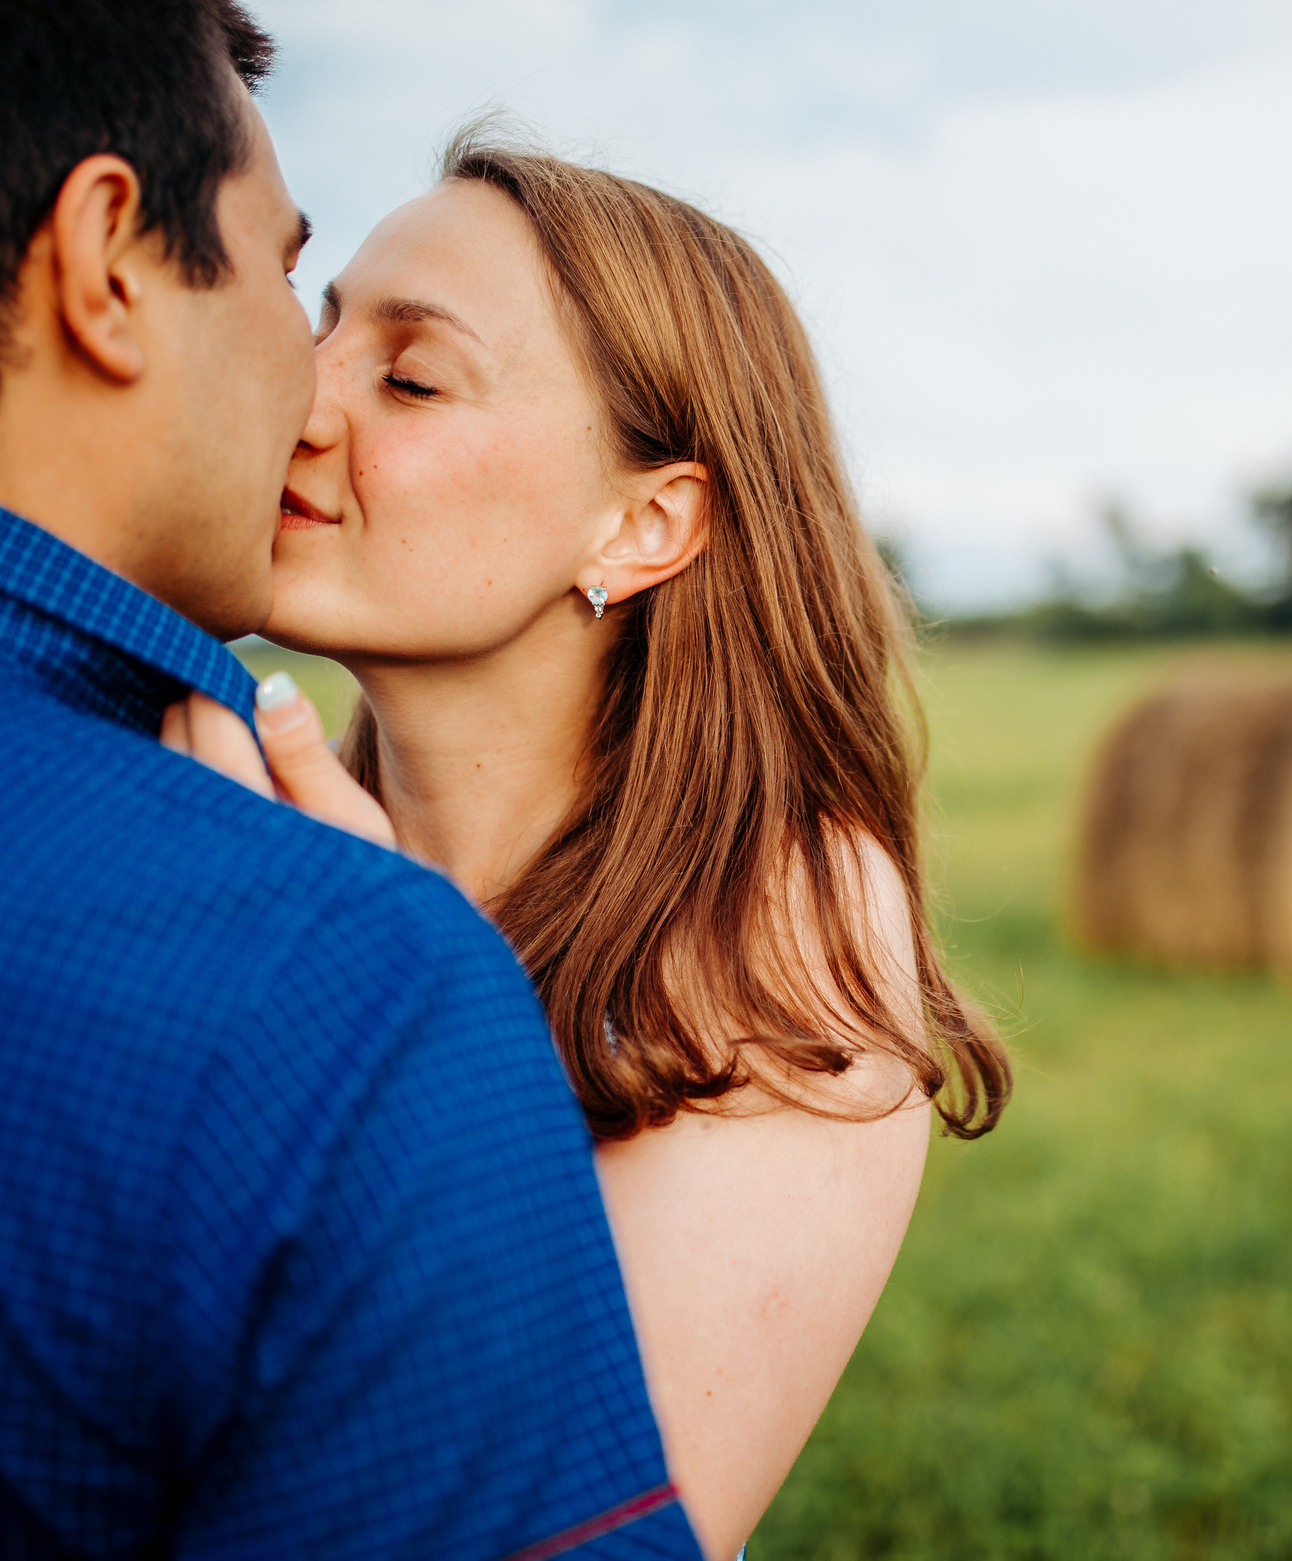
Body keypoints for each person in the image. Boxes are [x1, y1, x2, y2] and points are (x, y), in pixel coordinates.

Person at [0, 0, 698, 1556]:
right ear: (105, 264)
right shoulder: (340, 986)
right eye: (282, 281)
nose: (307, 398)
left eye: (404, 368)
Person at [171, 136, 1013, 1560]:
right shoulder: (231, 801)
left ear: (646, 521)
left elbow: (561, 1521)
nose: (300, 402)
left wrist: (368, 989)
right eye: (320, 325)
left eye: (414, 377)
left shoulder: (781, 925)